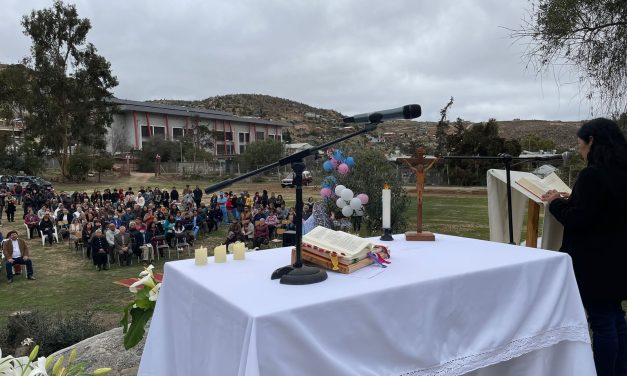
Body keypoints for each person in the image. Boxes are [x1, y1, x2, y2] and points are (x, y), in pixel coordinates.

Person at [542, 118, 627, 376]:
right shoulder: (622, 172)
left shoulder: (593, 175)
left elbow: (579, 219)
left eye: (580, 145)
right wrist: (575, 199)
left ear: (592, 142)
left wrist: (555, 202)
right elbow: (602, 209)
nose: (579, 151)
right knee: (616, 318)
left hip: (594, 262)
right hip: (619, 258)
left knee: (601, 322)